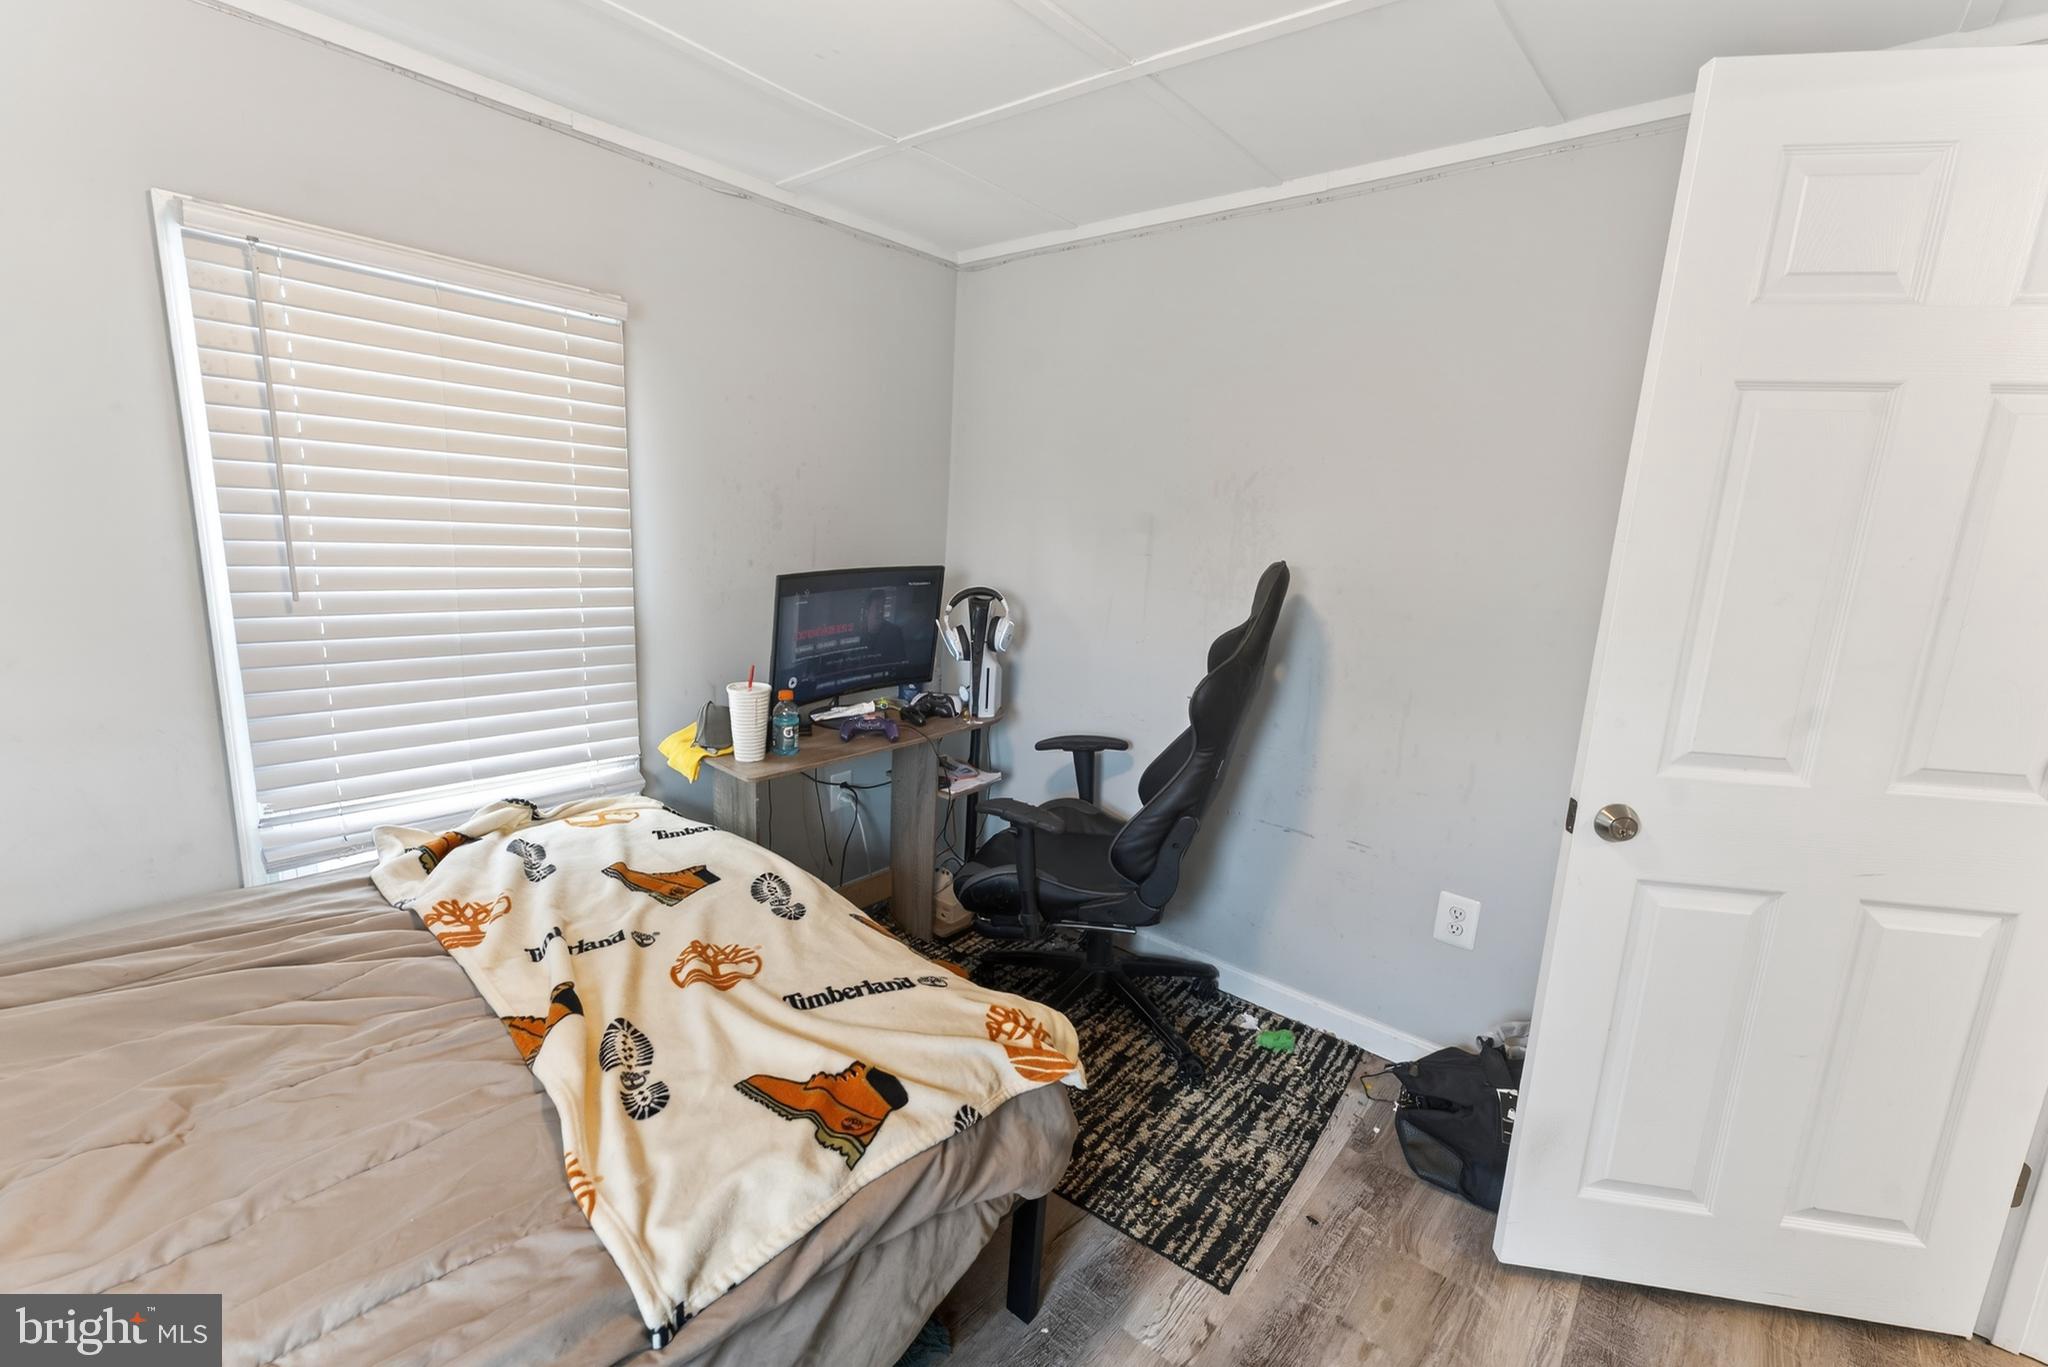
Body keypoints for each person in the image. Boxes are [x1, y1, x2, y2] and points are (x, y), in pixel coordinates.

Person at [861, 589, 906, 666]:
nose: (881, 611)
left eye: (883, 607)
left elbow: (901, 664)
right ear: (866, 612)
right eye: (877, 607)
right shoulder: (859, 632)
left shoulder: (894, 632)